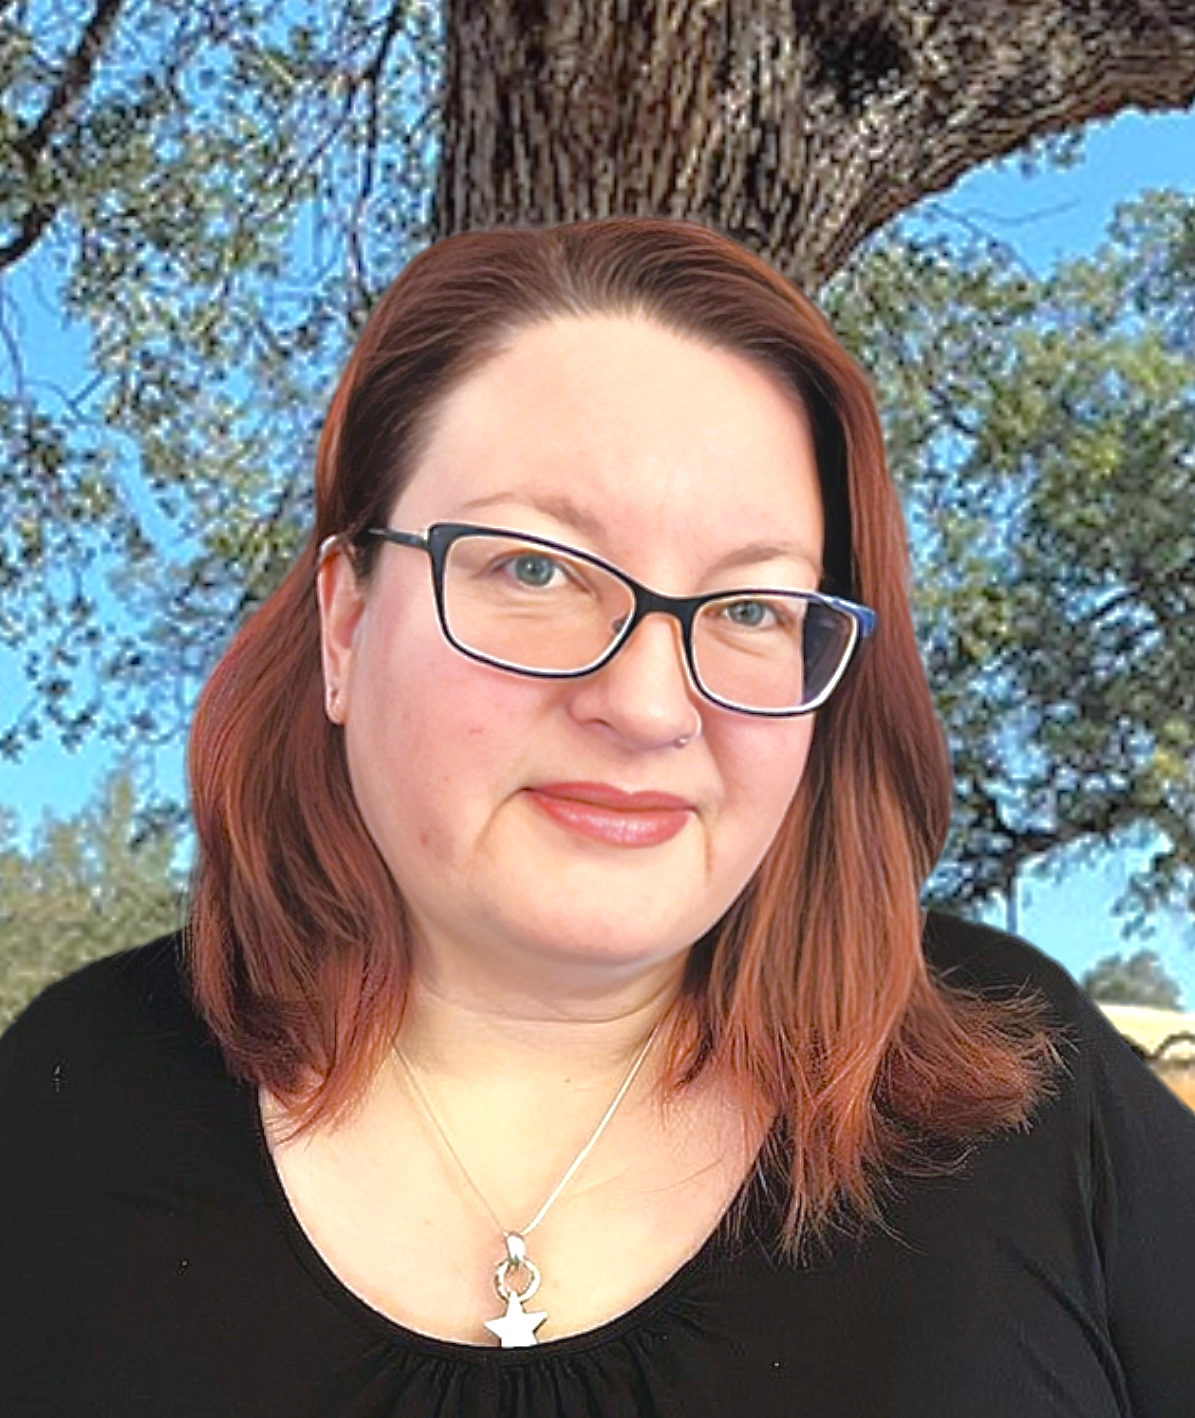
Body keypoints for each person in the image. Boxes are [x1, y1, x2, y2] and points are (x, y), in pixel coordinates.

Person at [2, 216, 1193, 1418]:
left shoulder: (1038, 1099)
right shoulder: (62, 1108)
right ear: (347, 626)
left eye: (751, 608)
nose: (646, 705)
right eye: (534, 569)